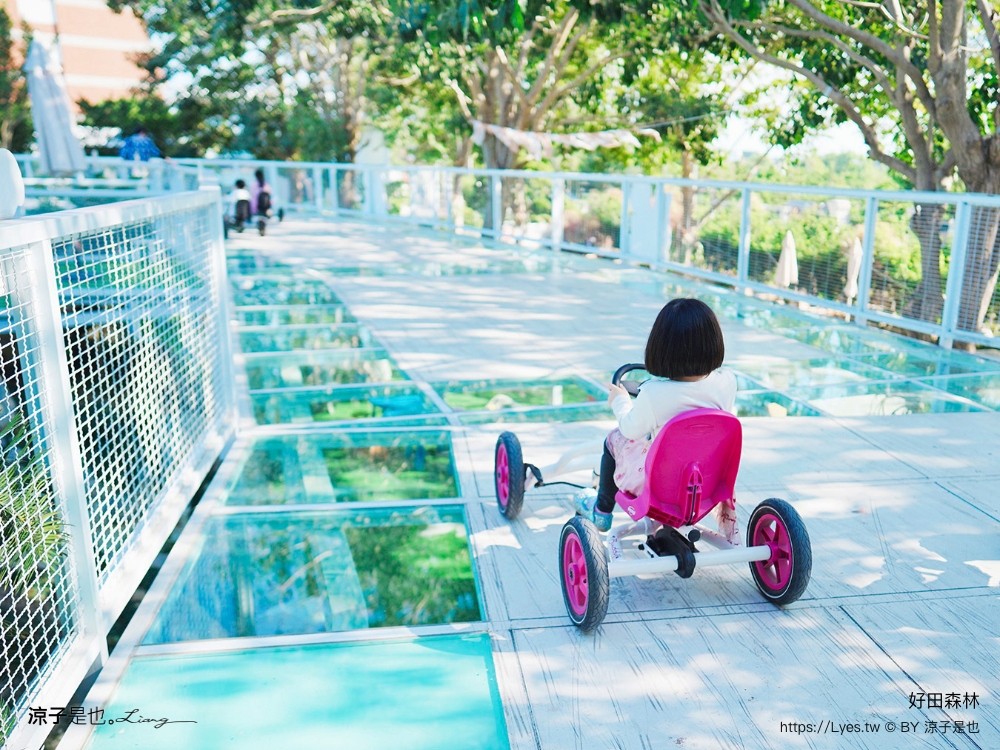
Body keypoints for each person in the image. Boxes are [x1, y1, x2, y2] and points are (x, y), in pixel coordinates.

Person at [578, 298, 738, 538]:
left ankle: (601, 510)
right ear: (713, 343)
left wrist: (621, 401)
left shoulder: (653, 394)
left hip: (660, 487)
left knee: (613, 440)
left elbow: (630, 429)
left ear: (661, 348)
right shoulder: (728, 381)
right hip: (706, 481)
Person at [250, 168, 272, 235]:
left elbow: (253, 198)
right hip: (266, 206)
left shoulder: (254, 185)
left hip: (257, 207)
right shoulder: (266, 185)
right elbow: (270, 196)